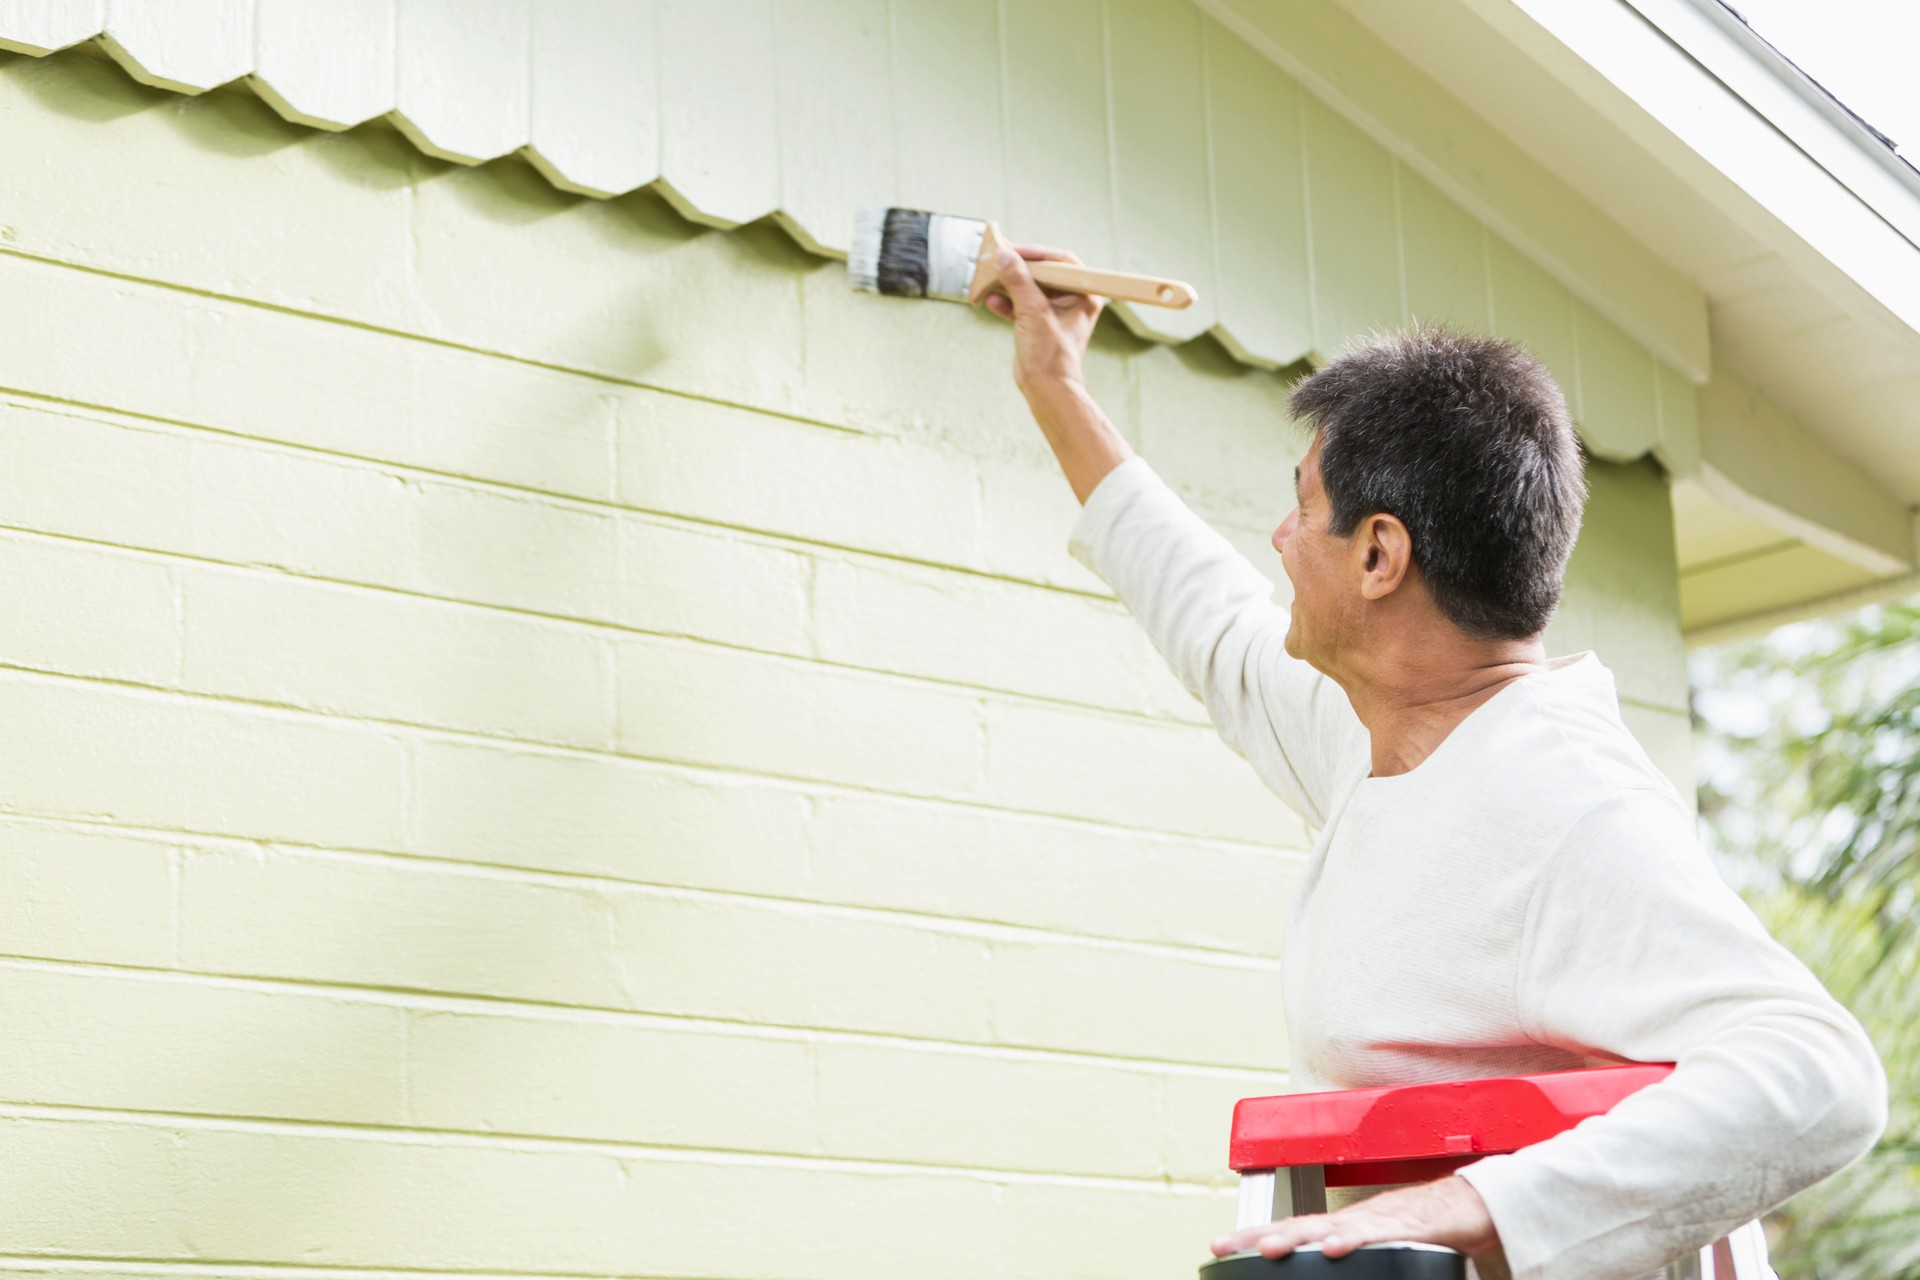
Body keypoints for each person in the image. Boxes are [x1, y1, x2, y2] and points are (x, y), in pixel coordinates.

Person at [981, 243, 1888, 1280]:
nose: (1278, 537)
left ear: (1379, 554)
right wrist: (1055, 386)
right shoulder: (1382, 732)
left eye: (1302, 505)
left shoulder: (1565, 803)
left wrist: (1475, 1200)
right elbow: (1204, 610)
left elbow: (1823, 1074)